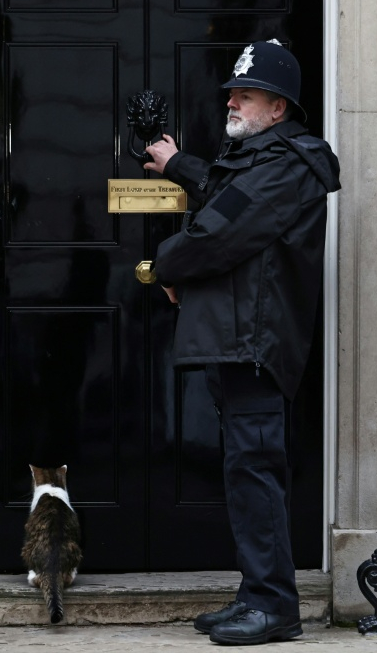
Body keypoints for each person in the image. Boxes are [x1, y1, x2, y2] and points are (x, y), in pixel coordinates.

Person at [144, 39, 340, 646]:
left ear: (278, 108)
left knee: (254, 471)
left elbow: (219, 233)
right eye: (232, 90)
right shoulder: (264, 158)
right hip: (239, 341)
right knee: (245, 471)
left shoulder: (287, 165)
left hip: (254, 344)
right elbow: (226, 190)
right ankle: (258, 592)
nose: (231, 100)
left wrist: (164, 266)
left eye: (245, 94)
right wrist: (179, 164)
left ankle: (275, 606)